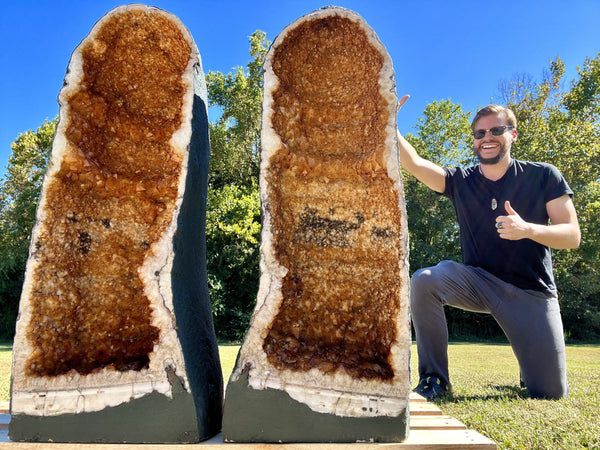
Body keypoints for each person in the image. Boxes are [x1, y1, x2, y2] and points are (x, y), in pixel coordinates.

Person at [397, 97, 581, 400]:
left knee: (549, 392)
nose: (487, 138)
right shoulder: (461, 181)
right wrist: (391, 123)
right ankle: (434, 379)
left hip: (530, 291)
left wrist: (528, 230)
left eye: (496, 130)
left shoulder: (543, 175)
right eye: (480, 133)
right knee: (425, 279)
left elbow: (572, 235)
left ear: (513, 134)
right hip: (478, 282)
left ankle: (530, 363)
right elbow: (415, 164)